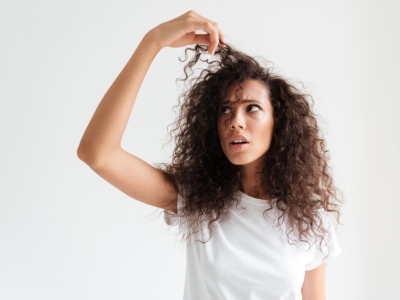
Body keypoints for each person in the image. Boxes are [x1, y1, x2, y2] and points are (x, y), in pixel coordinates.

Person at [77, 10, 342, 300]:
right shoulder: (198, 199)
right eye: (225, 110)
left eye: (252, 108)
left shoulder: (310, 221)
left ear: (279, 123)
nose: (235, 120)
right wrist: (151, 43)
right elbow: (98, 153)